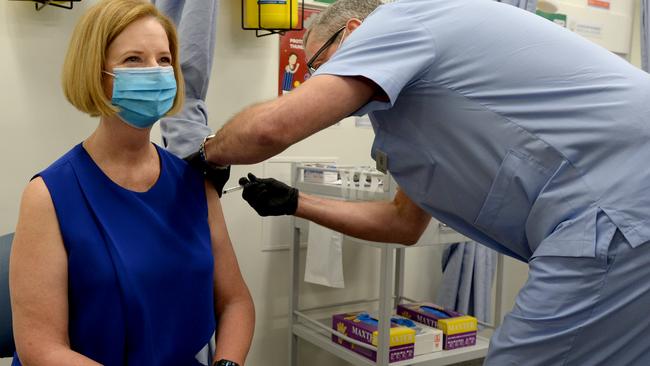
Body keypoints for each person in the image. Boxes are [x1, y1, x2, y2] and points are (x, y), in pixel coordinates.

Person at [193, 0, 650, 364]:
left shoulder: (399, 20)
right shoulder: (407, 115)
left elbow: (271, 129)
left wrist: (203, 152)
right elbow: (403, 224)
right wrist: (295, 202)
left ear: (353, 32)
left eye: (318, 65)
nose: (316, 80)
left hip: (619, 210)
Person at [9, 1, 254, 365]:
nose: (154, 72)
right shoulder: (49, 196)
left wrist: (227, 363)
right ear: (96, 72)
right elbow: (41, 349)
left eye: (164, 60)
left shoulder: (194, 185)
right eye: (133, 60)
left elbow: (235, 301)